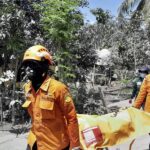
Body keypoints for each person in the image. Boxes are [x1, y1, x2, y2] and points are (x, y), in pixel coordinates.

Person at [17, 45, 80, 150]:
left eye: (32, 64)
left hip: (55, 145)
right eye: (26, 65)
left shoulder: (58, 88)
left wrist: (75, 145)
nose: (28, 69)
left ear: (44, 65)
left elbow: (71, 117)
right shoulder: (27, 88)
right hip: (34, 142)